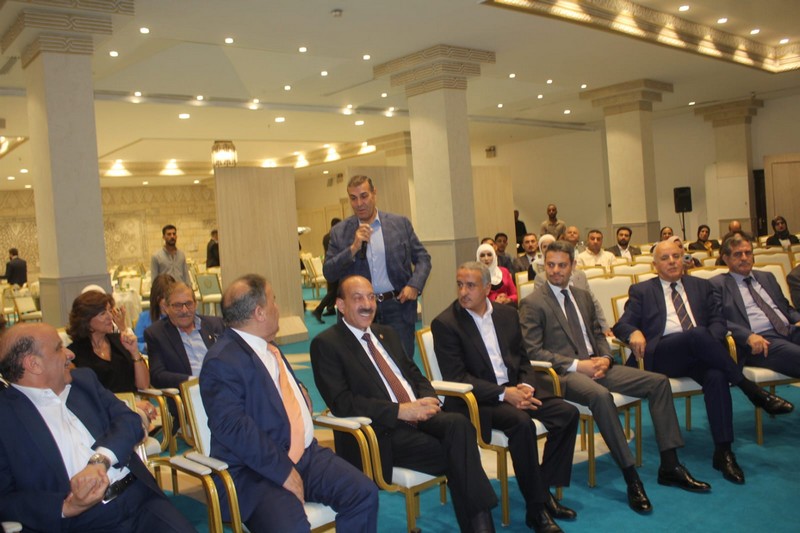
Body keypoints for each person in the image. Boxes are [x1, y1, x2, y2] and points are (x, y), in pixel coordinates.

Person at [520, 241, 709, 513]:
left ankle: (670, 465)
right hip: (562, 374)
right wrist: (579, 365)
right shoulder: (533, 303)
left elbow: (598, 335)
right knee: (600, 396)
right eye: (551, 265)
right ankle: (631, 477)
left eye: (562, 265)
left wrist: (607, 359)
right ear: (544, 266)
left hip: (598, 365)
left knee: (657, 382)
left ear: (572, 266)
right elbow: (533, 351)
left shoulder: (582, 296)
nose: (556, 270)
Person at [311, 275, 498, 533]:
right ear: (341, 305)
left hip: (420, 414)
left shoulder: (386, 333)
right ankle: (482, 527)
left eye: (371, 297)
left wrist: (427, 398)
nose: (367, 304)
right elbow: (342, 402)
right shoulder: (327, 344)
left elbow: (414, 374)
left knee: (460, 425)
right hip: (382, 431)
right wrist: (400, 411)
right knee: (460, 453)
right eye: (357, 298)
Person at [200, 274, 378, 532]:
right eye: (273, 301)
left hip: (305, 455)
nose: (277, 307)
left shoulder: (267, 346)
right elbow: (234, 428)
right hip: (255, 472)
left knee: (363, 493)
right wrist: (282, 470)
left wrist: (298, 389)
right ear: (259, 313)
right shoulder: (222, 361)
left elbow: (275, 390)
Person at [612, 239, 794, 485]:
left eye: (676, 256)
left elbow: (718, 321)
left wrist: (710, 340)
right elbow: (622, 324)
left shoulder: (700, 286)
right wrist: (634, 332)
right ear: (655, 265)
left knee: (716, 376)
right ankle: (750, 389)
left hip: (699, 352)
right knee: (697, 334)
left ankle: (724, 452)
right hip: (663, 354)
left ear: (684, 259)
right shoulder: (642, 290)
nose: (672, 262)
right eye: (665, 258)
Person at [0, 323, 195, 533]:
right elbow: (5, 498)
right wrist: (66, 507)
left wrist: (100, 461)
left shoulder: (83, 382)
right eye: (58, 348)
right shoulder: (6, 418)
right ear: (34, 364)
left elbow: (130, 421)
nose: (70, 354)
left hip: (138, 498)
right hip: (81, 522)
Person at [432, 261, 579, 532]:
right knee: (522, 424)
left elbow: (523, 359)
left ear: (487, 287)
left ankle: (542, 490)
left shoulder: (507, 314)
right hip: (477, 401)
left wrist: (526, 386)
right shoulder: (446, 323)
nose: (463, 292)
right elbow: (458, 377)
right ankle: (536, 509)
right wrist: (504, 394)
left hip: (515, 389)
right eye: (460, 285)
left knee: (567, 414)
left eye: (470, 286)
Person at [323, 175, 431, 357]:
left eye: (364, 196)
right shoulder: (339, 232)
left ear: (374, 194)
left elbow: (423, 258)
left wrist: (414, 285)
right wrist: (353, 248)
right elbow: (329, 272)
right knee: (362, 365)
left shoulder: (400, 224)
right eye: (353, 198)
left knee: (401, 362)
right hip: (358, 310)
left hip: (397, 307)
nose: (359, 203)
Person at [710, 233, 800, 377]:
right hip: (760, 340)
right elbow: (718, 320)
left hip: (789, 330)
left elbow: (786, 307)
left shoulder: (767, 277)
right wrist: (747, 336)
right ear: (726, 258)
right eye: (738, 254)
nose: (744, 258)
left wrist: (797, 319)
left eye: (748, 253)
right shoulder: (717, 284)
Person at [144, 282, 224, 389]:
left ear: (196, 304)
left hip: (225, 387)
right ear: (166, 308)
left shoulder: (216, 325)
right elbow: (157, 376)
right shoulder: (156, 334)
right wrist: (193, 382)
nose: (184, 310)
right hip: (191, 392)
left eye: (189, 304)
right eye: (177, 305)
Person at [134, 274, 175, 354]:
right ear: (156, 298)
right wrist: (149, 347)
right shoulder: (144, 318)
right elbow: (136, 343)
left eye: (171, 296)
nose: (168, 301)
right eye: (164, 297)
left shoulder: (183, 317)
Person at [312, 217, 342, 324]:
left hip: (328, 266)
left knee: (332, 290)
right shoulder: (336, 237)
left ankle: (330, 309)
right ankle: (319, 309)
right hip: (335, 267)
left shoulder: (326, 237)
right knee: (334, 291)